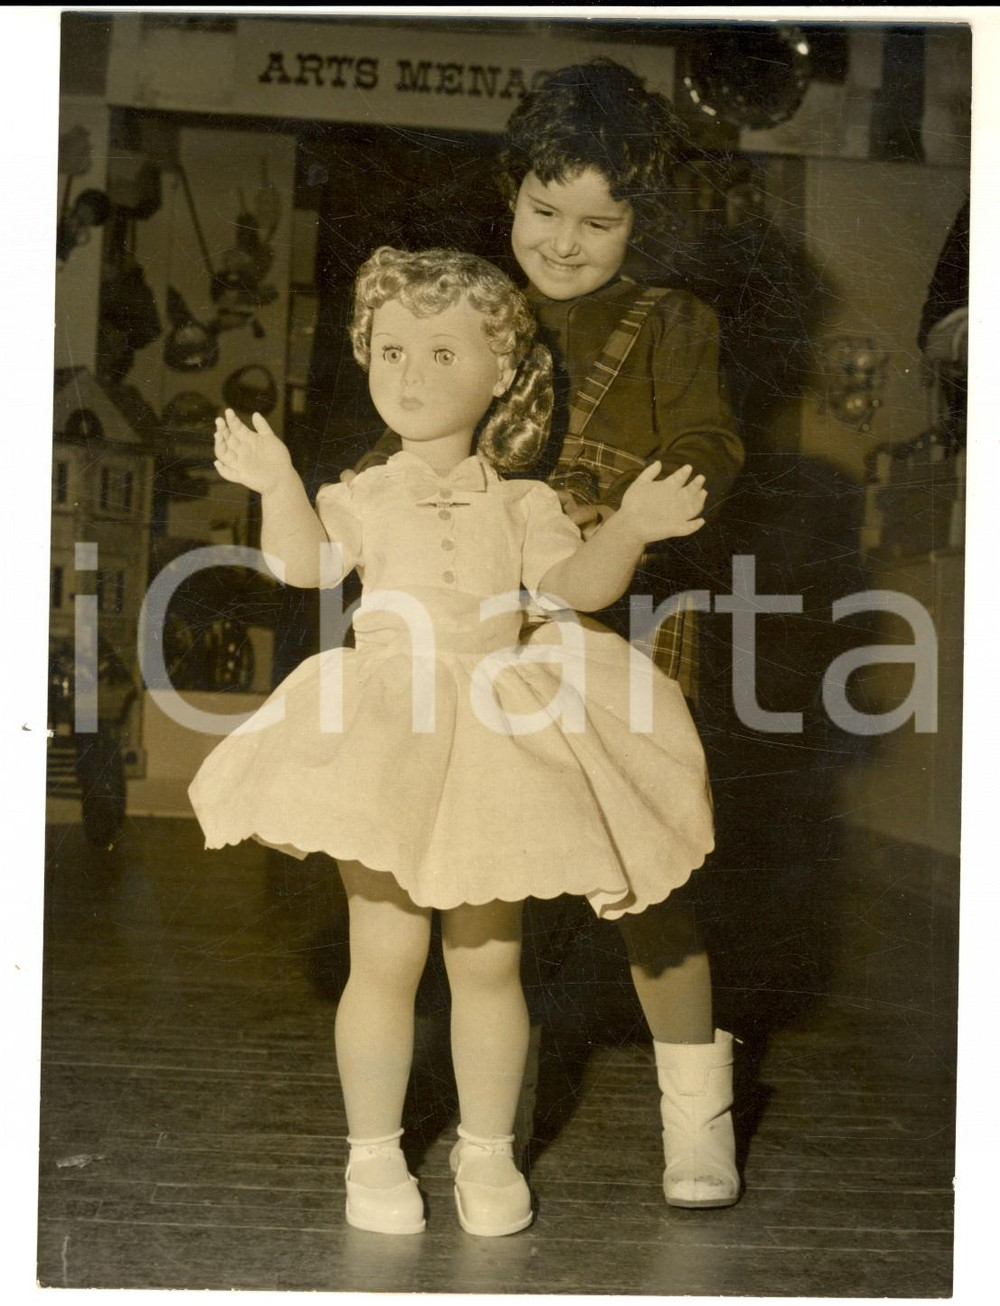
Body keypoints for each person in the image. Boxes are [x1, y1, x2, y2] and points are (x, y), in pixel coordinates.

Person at [188, 246, 715, 1237]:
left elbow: (582, 588)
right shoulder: (361, 491)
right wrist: (274, 482)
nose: (410, 375)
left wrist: (634, 525)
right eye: (390, 350)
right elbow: (300, 562)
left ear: (500, 373)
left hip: (492, 729)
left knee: (484, 960)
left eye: (441, 352)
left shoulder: (521, 502)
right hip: (386, 725)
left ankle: (485, 1151)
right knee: (382, 954)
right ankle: (373, 1155)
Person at [348, 60, 745, 1209]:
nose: (564, 244)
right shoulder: (472, 302)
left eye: (599, 222)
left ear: (640, 221)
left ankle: (697, 1120)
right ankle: (490, 1137)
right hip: (485, 624)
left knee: (647, 870)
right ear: (510, 189)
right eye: (542, 211)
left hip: (624, 600)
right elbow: (412, 431)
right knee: (486, 872)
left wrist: (637, 508)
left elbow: (715, 446)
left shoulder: (673, 322)